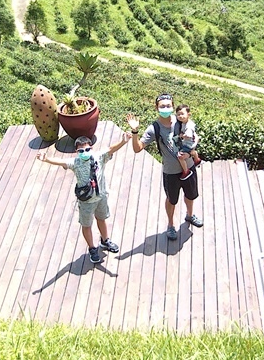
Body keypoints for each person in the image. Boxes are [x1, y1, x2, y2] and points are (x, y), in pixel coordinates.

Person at [36, 132, 130, 264]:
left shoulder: (99, 157)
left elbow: (110, 149)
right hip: (86, 201)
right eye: (81, 151)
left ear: (91, 148)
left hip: (101, 196)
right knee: (87, 225)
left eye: (87, 149)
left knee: (102, 219)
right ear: (77, 152)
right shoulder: (75, 163)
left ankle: (105, 240)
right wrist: (46, 159)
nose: (84, 152)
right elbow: (61, 161)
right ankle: (92, 248)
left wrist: (123, 141)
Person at [125, 93, 204, 241]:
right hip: (171, 172)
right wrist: (135, 132)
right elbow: (137, 148)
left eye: (168, 106)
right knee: (171, 199)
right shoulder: (154, 128)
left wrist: (191, 152)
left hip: (189, 166)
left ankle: (190, 215)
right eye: (162, 106)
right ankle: (171, 225)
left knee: (190, 194)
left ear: (173, 107)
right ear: (157, 108)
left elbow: (194, 136)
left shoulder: (181, 119)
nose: (166, 108)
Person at [173, 104, 201, 180]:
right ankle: (197, 159)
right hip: (191, 143)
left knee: (180, 156)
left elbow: (188, 135)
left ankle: (186, 171)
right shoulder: (185, 122)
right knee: (192, 151)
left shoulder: (189, 126)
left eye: (182, 114)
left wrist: (181, 135)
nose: (180, 116)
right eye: (178, 114)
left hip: (188, 144)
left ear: (188, 114)